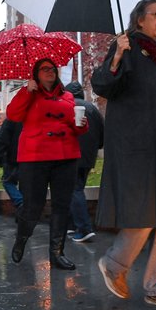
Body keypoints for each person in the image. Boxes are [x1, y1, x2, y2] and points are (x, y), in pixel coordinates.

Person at [91, 0, 156, 310]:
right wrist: (118, 54)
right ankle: (115, 264)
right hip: (137, 145)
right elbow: (102, 84)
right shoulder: (127, 46)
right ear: (140, 20)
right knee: (145, 210)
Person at [7, 58, 88, 270]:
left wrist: (82, 124)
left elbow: (77, 128)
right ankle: (21, 238)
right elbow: (12, 114)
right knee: (33, 206)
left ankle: (56, 253)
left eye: (52, 69)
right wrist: (26, 90)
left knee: (62, 205)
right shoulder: (28, 94)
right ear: (36, 74)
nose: (50, 72)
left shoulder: (68, 96)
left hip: (66, 157)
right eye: (44, 69)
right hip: (35, 158)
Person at [63, 81, 104, 243]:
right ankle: (73, 225)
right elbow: (102, 135)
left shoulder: (66, 107)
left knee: (74, 189)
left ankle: (84, 228)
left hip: (71, 154)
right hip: (89, 156)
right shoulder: (93, 109)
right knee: (76, 188)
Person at [0, 118, 23, 212]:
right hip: (28, 157)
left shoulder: (10, 120)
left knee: (8, 182)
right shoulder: (30, 117)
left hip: (12, 157)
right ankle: (23, 209)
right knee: (25, 184)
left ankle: (20, 202)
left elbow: (3, 139)